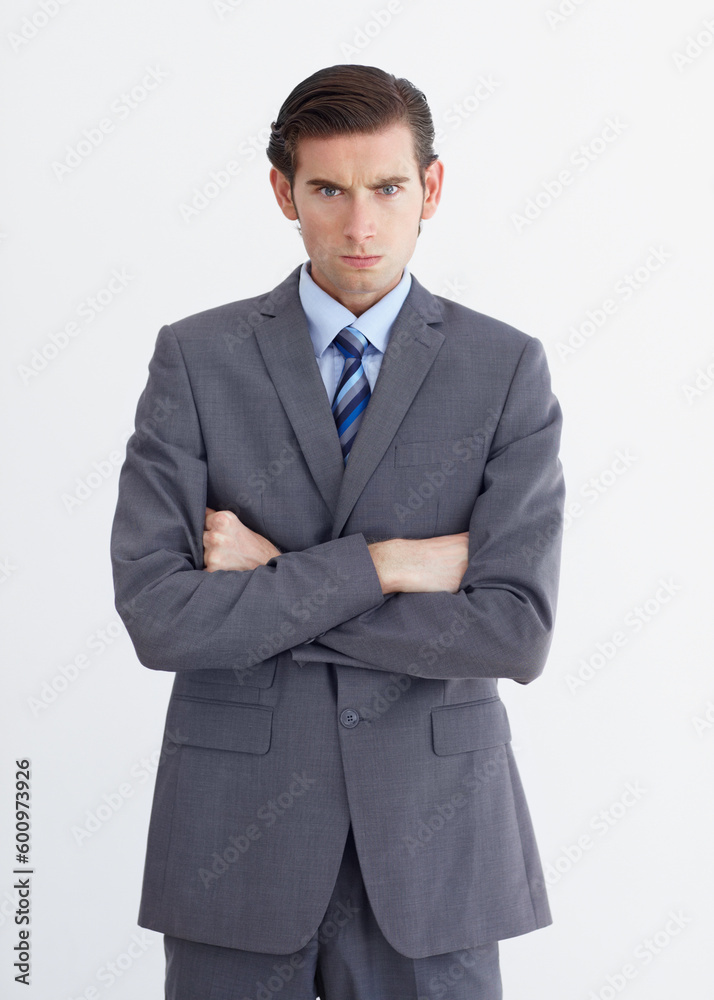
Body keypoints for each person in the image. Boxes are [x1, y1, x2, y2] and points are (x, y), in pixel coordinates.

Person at [110, 63, 565, 1000]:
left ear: (431, 187)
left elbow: (513, 631)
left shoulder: (504, 367)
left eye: (388, 189)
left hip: (435, 853)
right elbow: (160, 617)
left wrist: (275, 574)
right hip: (236, 850)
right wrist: (387, 564)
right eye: (328, 191)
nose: (361, 226)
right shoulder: (197, 359)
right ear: (285, 193)